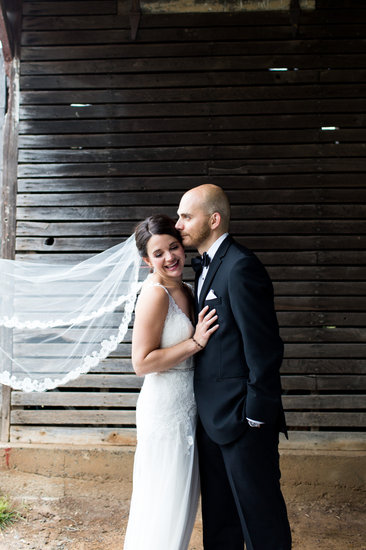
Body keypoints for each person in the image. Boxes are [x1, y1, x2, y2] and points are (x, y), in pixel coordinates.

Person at [176, 184, 292, 550]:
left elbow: (265, 347)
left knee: (260, 520)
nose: (178, 224)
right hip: (211, 417)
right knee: (220, 519)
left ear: (213, 219)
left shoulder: (242, 266)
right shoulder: (206, 266)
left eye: (186, 216)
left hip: (243, 420)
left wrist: (255, 416)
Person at [123, 214, 218, 550]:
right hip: (164, 411)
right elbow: (141, 362)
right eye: (158, 253)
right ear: (147, 260)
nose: (170, 257)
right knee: (162, 502)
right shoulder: (155, 294)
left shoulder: (190, 290)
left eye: (173, 247)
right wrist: (195, 343)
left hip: (189, 408)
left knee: (182, 504)